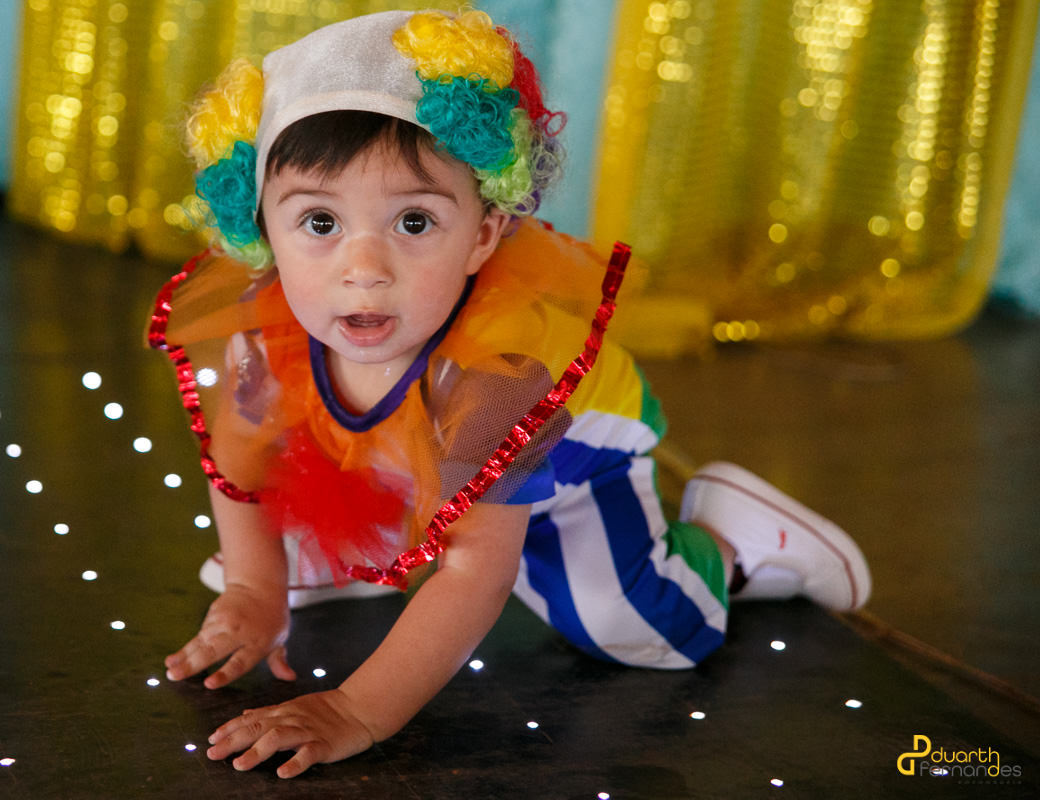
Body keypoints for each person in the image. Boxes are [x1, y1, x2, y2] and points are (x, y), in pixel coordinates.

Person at [149, 9, 871, 779]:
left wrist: (357, 709)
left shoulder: (498, 378)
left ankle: (733, 542)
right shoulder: (267, 336)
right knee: (303, 525)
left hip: (574, 456)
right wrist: (256, 587)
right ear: (262, 227)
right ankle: (389, 538)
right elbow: (241, 465)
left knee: (642, 629)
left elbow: (474, 576)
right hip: (425, 453)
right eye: (320, 221)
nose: (364, 269)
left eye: (414, 221)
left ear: (484, 235)